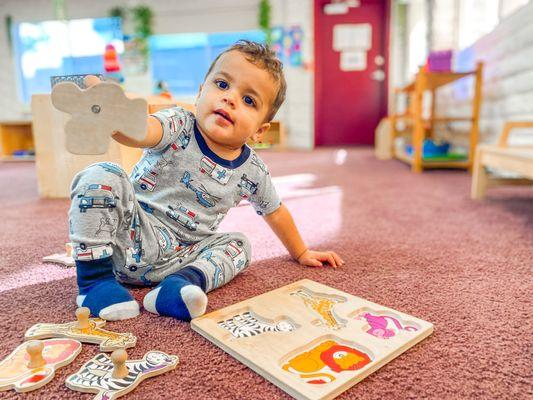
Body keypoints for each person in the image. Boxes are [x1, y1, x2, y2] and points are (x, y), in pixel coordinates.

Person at [69, 40, 344, 322]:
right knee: (102, 174)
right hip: (125, 237)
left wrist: (301, 252)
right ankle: (94, 283)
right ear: (200, 93)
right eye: (222, 85)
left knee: (240, 245)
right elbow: (144, 131)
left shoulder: (253, 171)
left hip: (182, 257)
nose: (230, 99)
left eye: (249, 101)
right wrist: (118, 120)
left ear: (260, 130)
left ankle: (177, 288)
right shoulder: (179, 124)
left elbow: (275, 211)